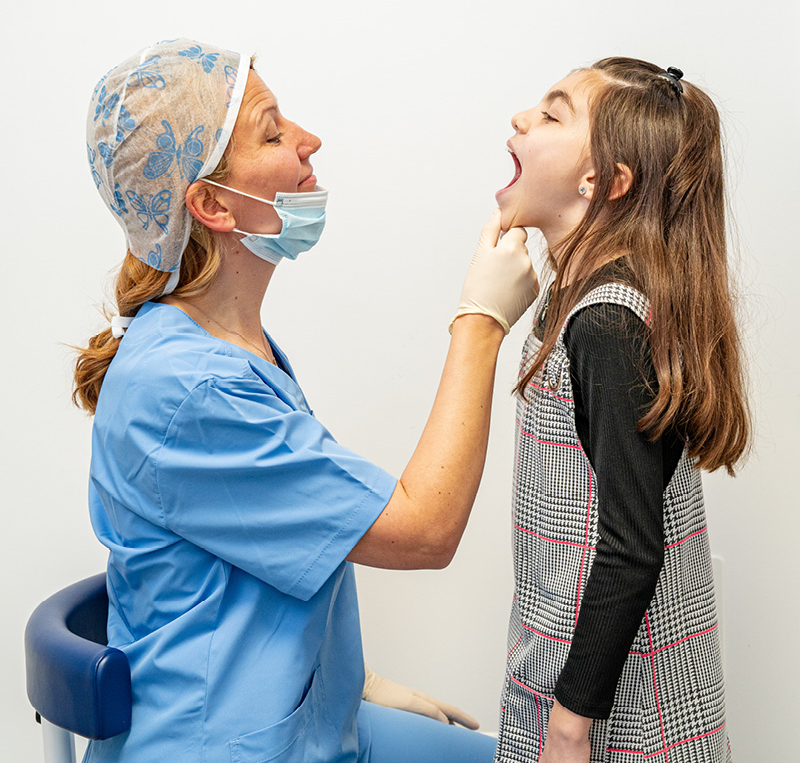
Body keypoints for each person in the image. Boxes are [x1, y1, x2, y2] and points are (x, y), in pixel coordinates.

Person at [75, 38, 538, 763]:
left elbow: (265, 548)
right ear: (210, 204)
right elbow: (425, 531)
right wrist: (481, 322)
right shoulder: (192, 389)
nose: (308, 140)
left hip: (302, 714)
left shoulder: (224, 347)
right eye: (272, 132)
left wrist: (350, 684)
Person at [492, 58, 750, 763]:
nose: (521, 119)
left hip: (623, 721)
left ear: (604, 182)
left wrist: (568, 727)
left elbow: (633, 549)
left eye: (551, 114)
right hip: (574, 672)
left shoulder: (608, 323)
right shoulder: (576, 300)